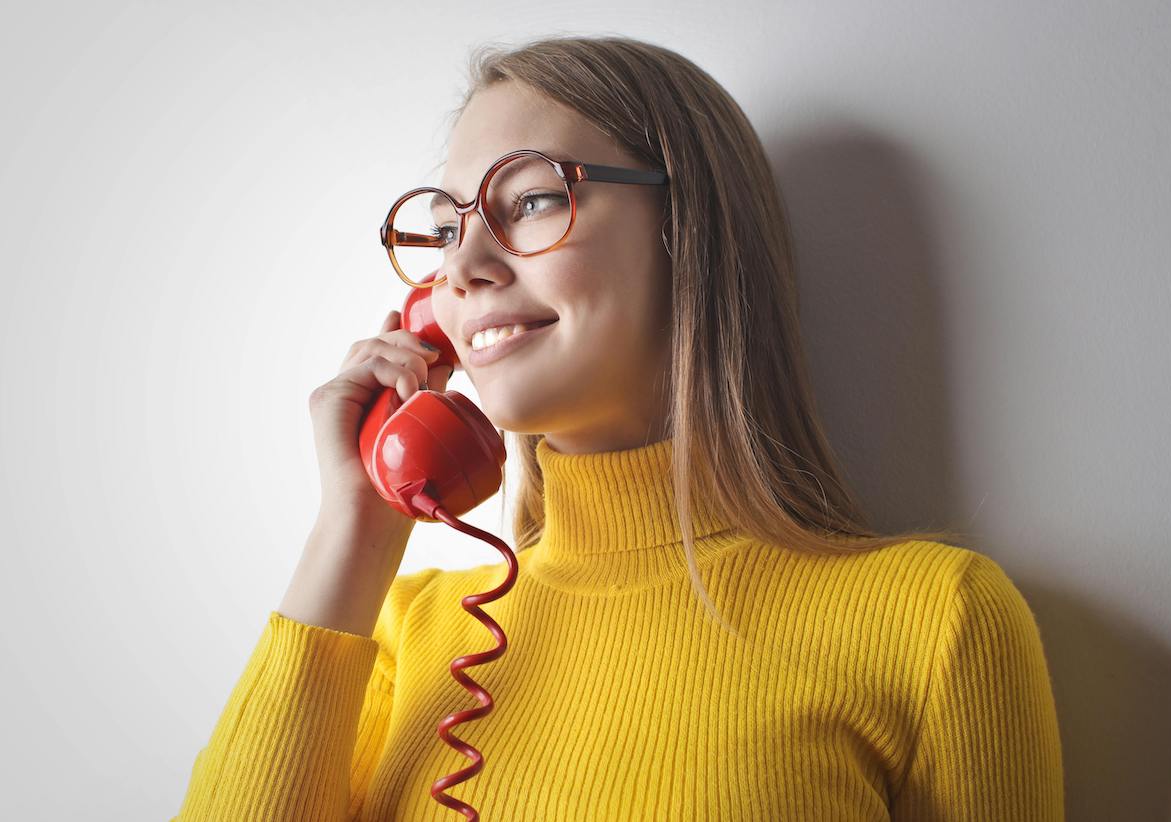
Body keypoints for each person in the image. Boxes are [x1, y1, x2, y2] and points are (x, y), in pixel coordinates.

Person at [173, 35, 1065, 821]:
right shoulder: (413, 633)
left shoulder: (935, 624)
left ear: (688, 229)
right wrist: (357, 527)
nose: (465, 268)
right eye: (446, 231)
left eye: (527, 202)